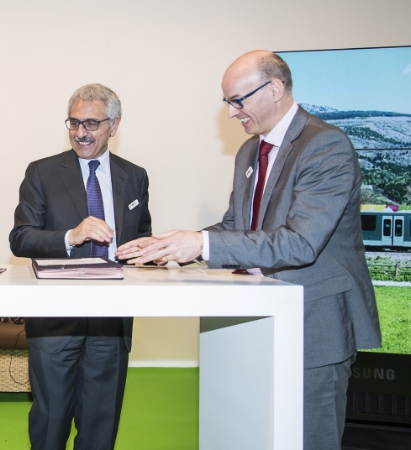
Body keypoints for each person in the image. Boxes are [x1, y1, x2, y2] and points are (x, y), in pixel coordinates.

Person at [117, 50, 381, 449]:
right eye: (227, 102)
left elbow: (301, 242)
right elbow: (237, 227)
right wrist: (172, 245)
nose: (230, 113)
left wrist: (200, 243)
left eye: (237, 100)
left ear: (275, 89)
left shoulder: (326, 145)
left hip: (313, 326)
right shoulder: (249, 151)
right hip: (256, 320)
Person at [9, 83, 152, 450]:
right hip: (55, 322)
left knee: (100, 429)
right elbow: (20, 238)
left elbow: (141, 236)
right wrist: (71, 236)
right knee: (50, 423)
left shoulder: (135, 176)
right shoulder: (42, 172)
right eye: (74, 123)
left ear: (114, 125)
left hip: (112, 321)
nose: (80, 132)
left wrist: (151, 251)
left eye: (91, 123)